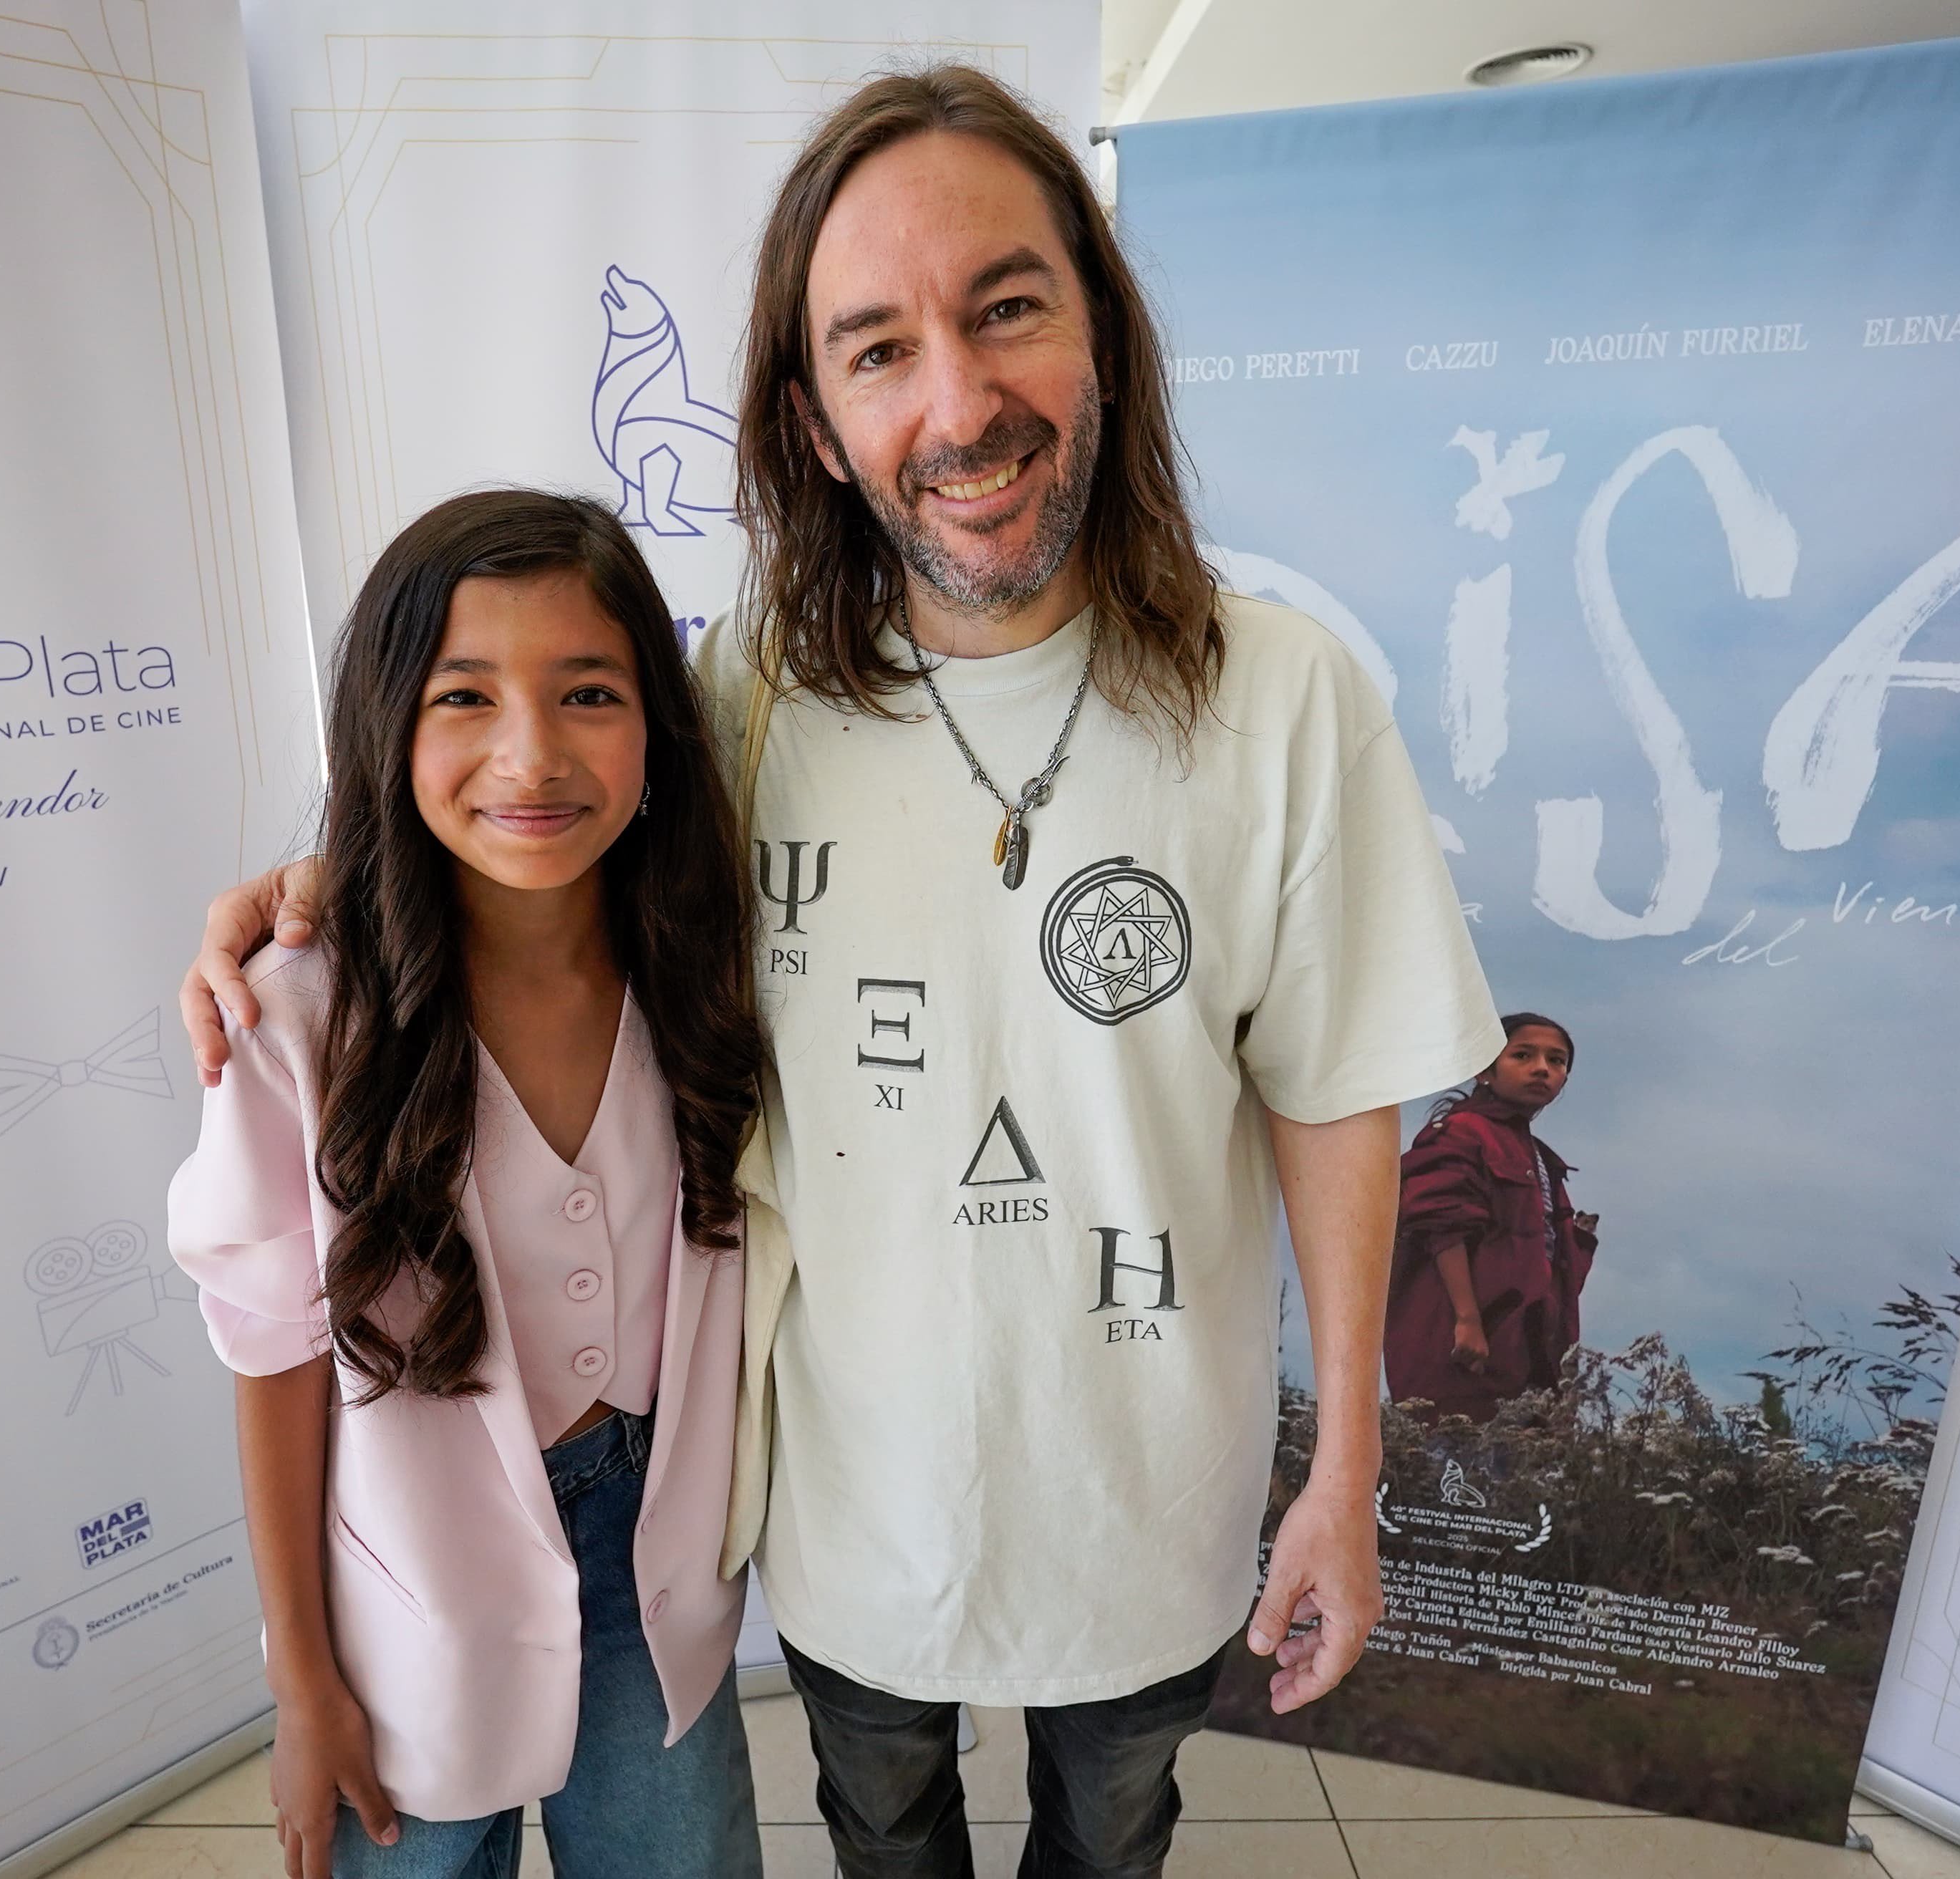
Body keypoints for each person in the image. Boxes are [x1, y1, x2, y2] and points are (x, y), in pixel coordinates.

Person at [184, 68, 1500, 1879]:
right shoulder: (749, 702)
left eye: (1007, 309)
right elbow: (540, 827)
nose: (957, 402)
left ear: (1102, 335)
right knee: (881, 1831)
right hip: (851, 1502)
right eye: (879, 348)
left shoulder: (1280, 700)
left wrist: (1342, 1467)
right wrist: (330, 887)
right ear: (813, 419)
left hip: (1149, 1482)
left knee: (1112, 1832)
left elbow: (1337, 1096)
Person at [167, 491, 763, 1879]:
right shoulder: (299, 1017)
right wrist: (304, 1678)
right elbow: (274, 1355)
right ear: (387, 721)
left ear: (657, 729)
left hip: (646, 1564)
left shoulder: (705, 958)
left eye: (589, 692)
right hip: (410, 1588)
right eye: (465, 696)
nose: (532, 753)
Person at [1384, 1014, 1599, 1424]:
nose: (1542, 1068)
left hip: (1528, 1358)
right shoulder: (1461, 1133)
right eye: (1522, 1055)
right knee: (1459, 1472)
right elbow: (1442, 1225)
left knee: (1521, 1477)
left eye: (1556, 1061)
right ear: (1484, 1069)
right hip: (1462, 1350)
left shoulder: (1539, 1158)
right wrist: (1466, 1320)